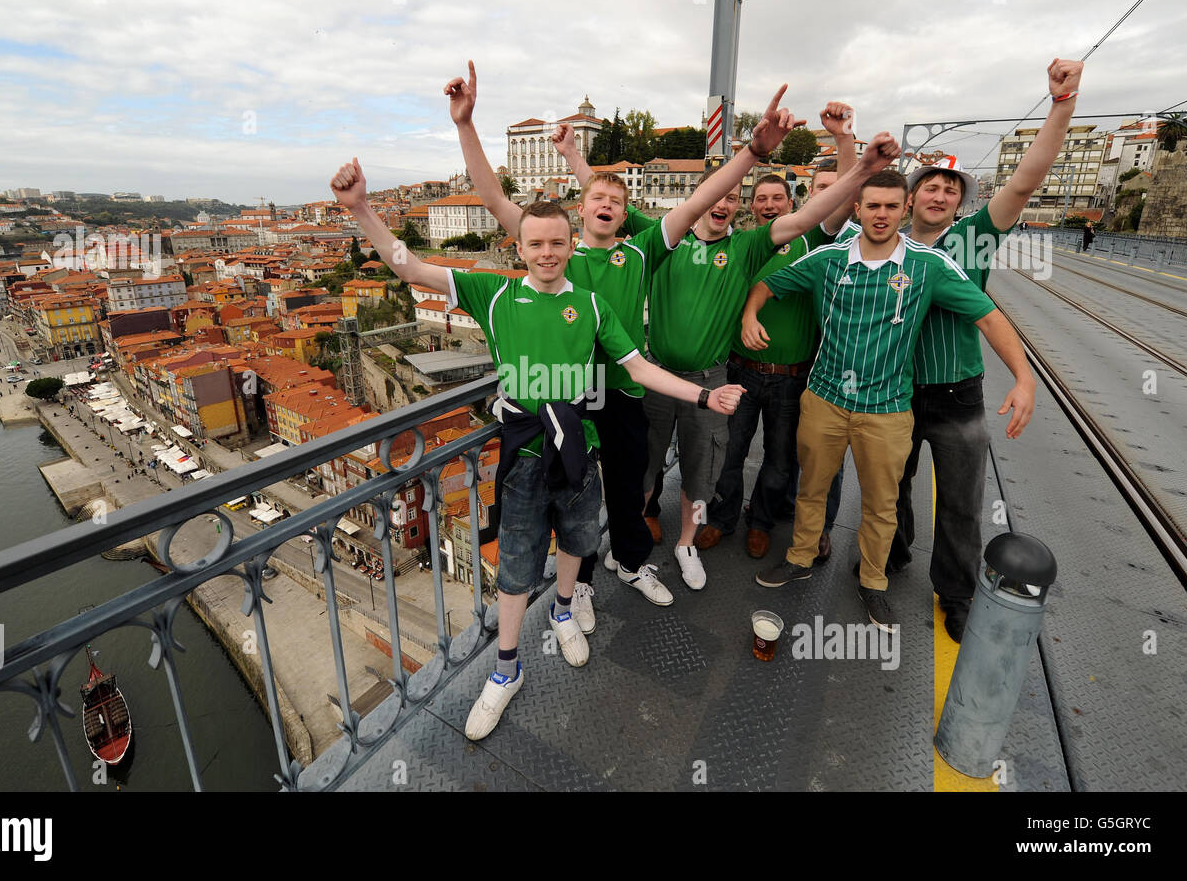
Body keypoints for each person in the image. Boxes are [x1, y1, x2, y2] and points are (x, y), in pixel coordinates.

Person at [330, 157, 743, 742]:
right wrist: (361, 210)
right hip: (523, 453)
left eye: (556, 243)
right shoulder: (493, 295)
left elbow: (640, 368)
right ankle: (505, 670)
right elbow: (412, 269)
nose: (546, 253)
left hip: (580, 446)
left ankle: (565, 608)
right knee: (518, 563)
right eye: (535, 243)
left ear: (571, 245)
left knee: (577, 538)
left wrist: (703, 398)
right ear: (519, 248)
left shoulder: (594, 307)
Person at [444, 61, 799, 628]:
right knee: (578, 495)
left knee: (633, 485)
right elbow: (491, 197)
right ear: (580, 208)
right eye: (596, 196)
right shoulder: (555, 249)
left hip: (628, 387)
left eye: (615, 197)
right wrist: (465, 123)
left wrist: (752, 154)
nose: (606, 203)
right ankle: (577, 588)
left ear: (624, 209)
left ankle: (631, 564)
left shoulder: (639, 251)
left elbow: (700, 199)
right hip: (573, 398)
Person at [839, 58, 1080, 641]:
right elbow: (848, 194)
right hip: (892, 391)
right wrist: (845, 140)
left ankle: (956, 590)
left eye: (952, 188)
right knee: (887, 488)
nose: (942, 193)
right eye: (931, 186)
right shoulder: (875, 237)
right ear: (908, 198)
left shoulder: (972, 239)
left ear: (958, 202)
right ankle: (891, 554)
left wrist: (1062, 106)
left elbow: (1024, 180)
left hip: (956, 391)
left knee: (962, 502)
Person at [747, 170, 1036, 634]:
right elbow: (769, 284)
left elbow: (987, 316)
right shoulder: (827, 259)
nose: (880, 215)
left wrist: (1024, 378)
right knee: (811, 489)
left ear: (904, 211)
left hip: (886, 409)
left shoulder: (928, 266)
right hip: (824, 399)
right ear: (857, 209)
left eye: (890, 207)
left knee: (882, 506)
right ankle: (800, 558)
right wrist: (750, 312)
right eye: (872, 206)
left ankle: (873, 583)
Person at [619, 126, 904, 590]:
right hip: (657, 376)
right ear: (700, 198)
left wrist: (865, 169)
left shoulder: (747, 246)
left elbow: (811, 215)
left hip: (712, 379)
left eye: (734, 197)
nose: (725, 203)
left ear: (740, 206)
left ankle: (687, 542)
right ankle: (637, 527)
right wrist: (571, 151)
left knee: (701, 470)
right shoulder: (662, 238)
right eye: (719, 195)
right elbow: (604, 199)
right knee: (645, 465)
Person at [696, 123, 854, 561]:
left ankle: (761, 522)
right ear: (752, 206)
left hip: (790, 376)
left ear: (794, 204)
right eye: (761, 200)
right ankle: (724, 518)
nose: (769, 205)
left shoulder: (812, 240)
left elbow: (842, 198)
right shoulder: (744, 247)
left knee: (781, 460)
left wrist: (844, 140)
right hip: (740, 370)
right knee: (730, 451)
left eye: (777, 199)